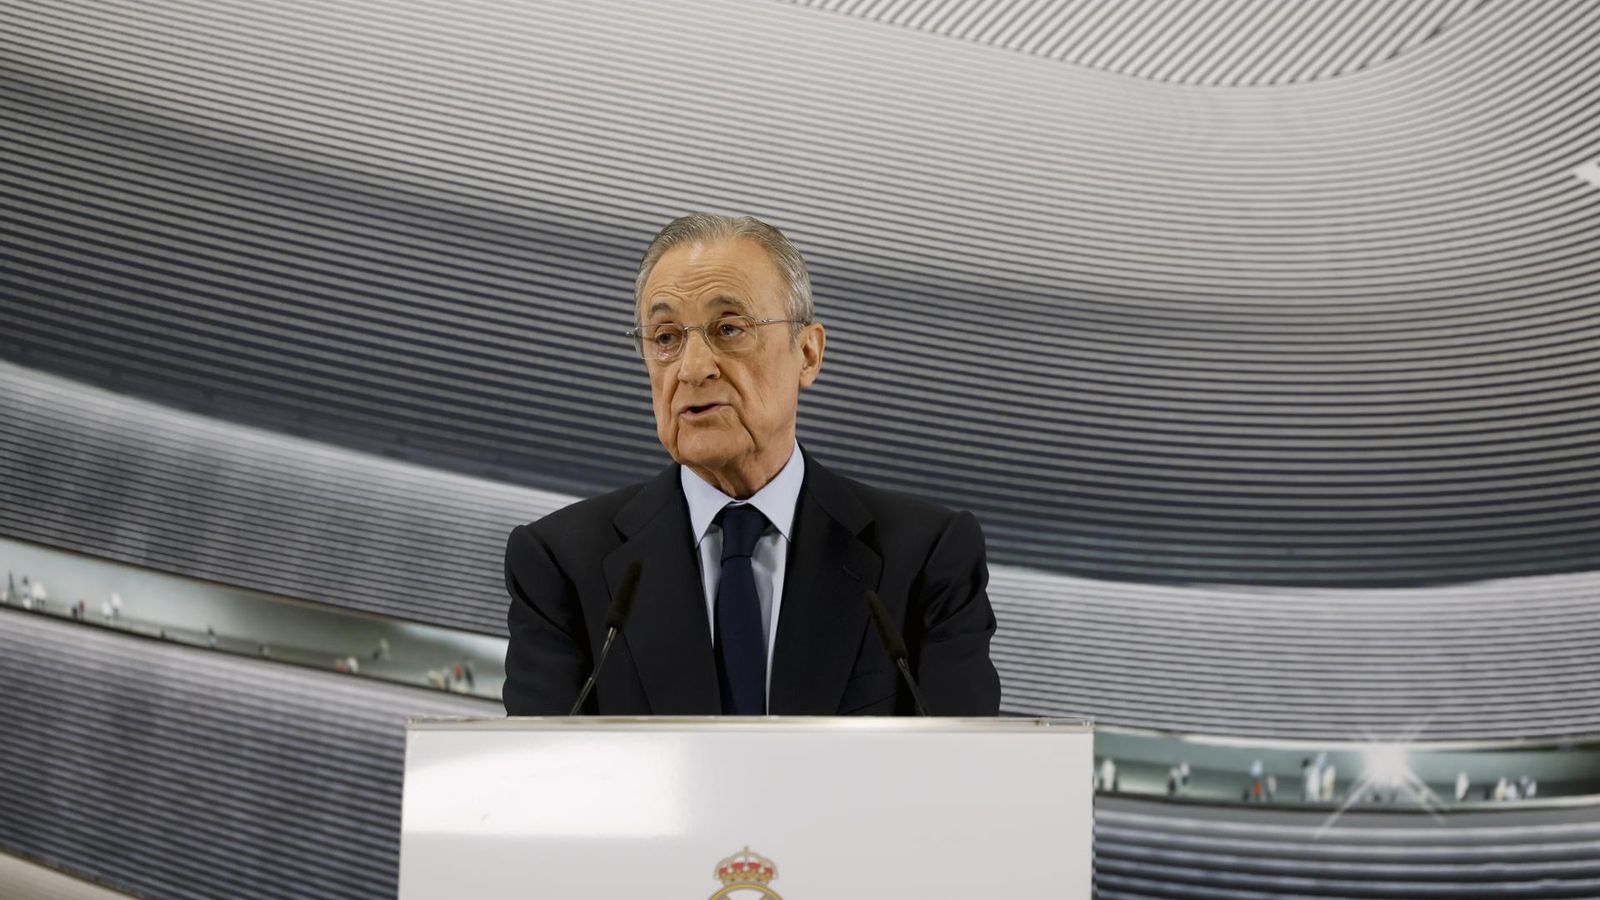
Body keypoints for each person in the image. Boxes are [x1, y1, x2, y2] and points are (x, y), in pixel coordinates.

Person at [503, 214, 1002, 717]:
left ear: (808, 353)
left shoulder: (926, 559)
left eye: (728, 329)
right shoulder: (563, 565)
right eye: (666, 338)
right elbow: (536, 781)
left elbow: (967, 777)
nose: (693, 368)